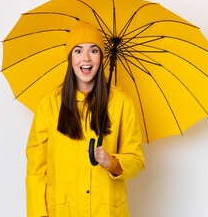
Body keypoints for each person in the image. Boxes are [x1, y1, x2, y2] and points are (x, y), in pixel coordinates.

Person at [25, 20, 145, 217]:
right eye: (78, 51)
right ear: (70, 57)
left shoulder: (122, 103)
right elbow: (36, 169)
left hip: (106, 211)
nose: (86, 58)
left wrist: (111, 162)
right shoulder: (49, 104)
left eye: (94, 51)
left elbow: (136, 160)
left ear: (101, 57)